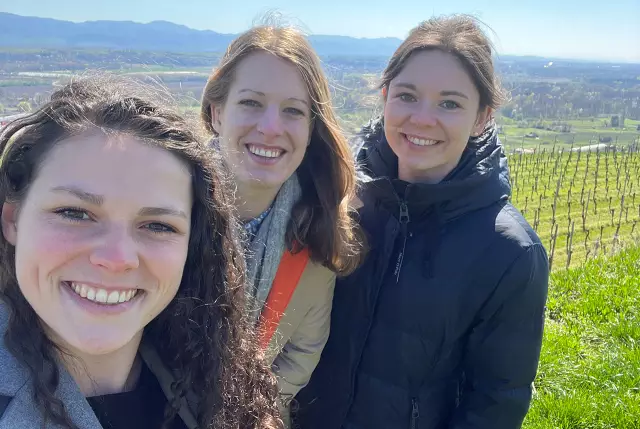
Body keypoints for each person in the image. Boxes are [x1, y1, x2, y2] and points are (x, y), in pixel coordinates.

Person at [295, 15, 550, 429]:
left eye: (449, 103)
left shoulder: (509, 253)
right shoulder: (335, 195)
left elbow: (496, 402)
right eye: (407, 96)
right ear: (384, 96)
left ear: (483, 117)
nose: (422, 118)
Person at [0, 74, 280, 429]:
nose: (117, 258)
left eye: (158, 226)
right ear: (13, 219)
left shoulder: (212, 383)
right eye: (74, 213)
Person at [200, 25, 365, 426]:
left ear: (311, 129)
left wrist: (245, 415)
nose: (271, 127)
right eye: (252, 103)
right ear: (217, 113)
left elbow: (301, 352)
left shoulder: (317, 232)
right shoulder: (160, 213)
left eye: (293, 110)